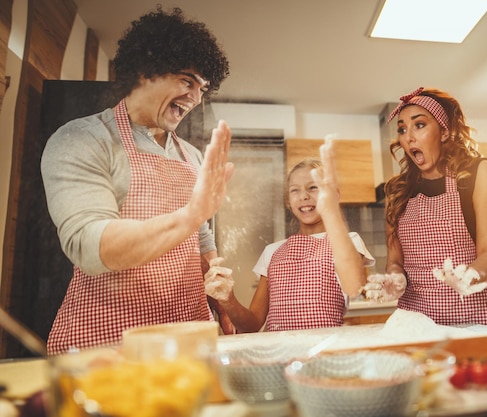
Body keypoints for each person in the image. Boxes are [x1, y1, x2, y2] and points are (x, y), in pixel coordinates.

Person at [41, 6, 234, 355]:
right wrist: (191, 214)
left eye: (203, 88)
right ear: (146, 69)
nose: (195, 99)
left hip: (187, 335)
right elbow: (90, 245)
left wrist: (219, 298)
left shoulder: (190, 155)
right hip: (108, 341)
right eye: (186, 81)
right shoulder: (84, 139)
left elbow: (200, 235)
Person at [363, 87, 487, 327]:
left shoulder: (474, 173)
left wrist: (469, 275)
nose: (408, 137)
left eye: (419, 125)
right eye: (402, 129)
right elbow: (395, 261)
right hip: (414, 324)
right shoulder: (396, 191)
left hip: (471, 320)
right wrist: (395, 280)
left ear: (444, 132)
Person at [205, 140, 375, 332]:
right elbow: (252, 325)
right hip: (279, 353)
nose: (303, 196)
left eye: (313, 188)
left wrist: (331, 210)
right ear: (289, 201)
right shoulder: (272, 251)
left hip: (326, 350)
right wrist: (228, 300)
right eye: (295, 190)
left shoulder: (348, 241)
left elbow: (355, 285)